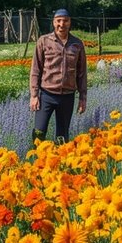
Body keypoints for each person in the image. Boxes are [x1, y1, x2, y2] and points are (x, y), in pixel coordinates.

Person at [29, 8, 88, 144]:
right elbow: (35, 69)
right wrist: (34, 95)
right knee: (39, 133)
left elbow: (82, 73)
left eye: (65, 21)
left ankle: (59, 164)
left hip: (67, 97)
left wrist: (83, 98)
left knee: (62, 138)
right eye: (58, 21)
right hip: (47, 95)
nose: (62, 24)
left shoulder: (77, 44)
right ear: (54, 22)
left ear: (70, 22)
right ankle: (37, 163)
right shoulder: (44, 41)